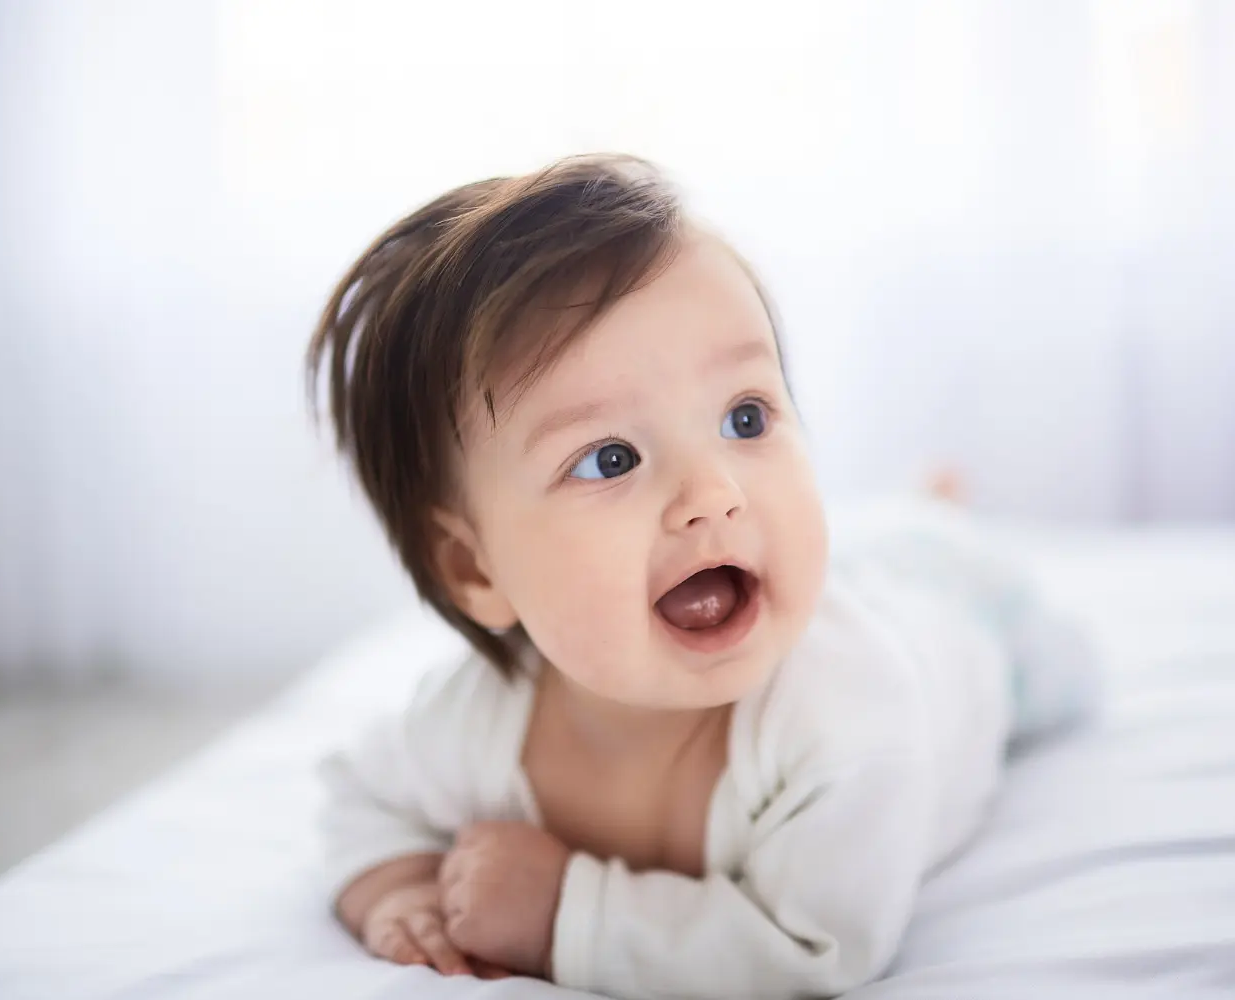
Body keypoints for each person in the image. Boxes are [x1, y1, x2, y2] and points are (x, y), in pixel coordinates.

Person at [308, 154, 1093, 999]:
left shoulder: (851, 720)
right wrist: (397, 887)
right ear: (474, 567)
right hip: (846, 579)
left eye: (745, 417)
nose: (713, 493)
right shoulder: (477, 721)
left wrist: (561, 912)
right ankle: (915, 507)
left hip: (962, 630)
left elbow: (812, 948)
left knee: (1049, 660)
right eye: (610, 459)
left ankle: (932, 511)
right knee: (870, 549)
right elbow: (361, 798)